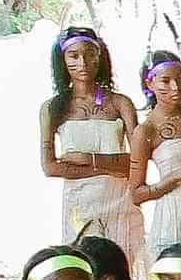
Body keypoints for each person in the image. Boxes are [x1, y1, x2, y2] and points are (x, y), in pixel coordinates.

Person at [40, 29, 144, 257]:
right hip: (80, 204)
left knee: (124, 267)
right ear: (63, 60)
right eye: (73, 56)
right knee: (87, 265)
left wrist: (87, 159)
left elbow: (137, 162)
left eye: (89, 54)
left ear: (100, 56)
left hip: (121, 201)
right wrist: (108, 166)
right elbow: (50, 167)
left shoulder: (120, 103)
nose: (83, 62)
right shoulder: (53, 108)